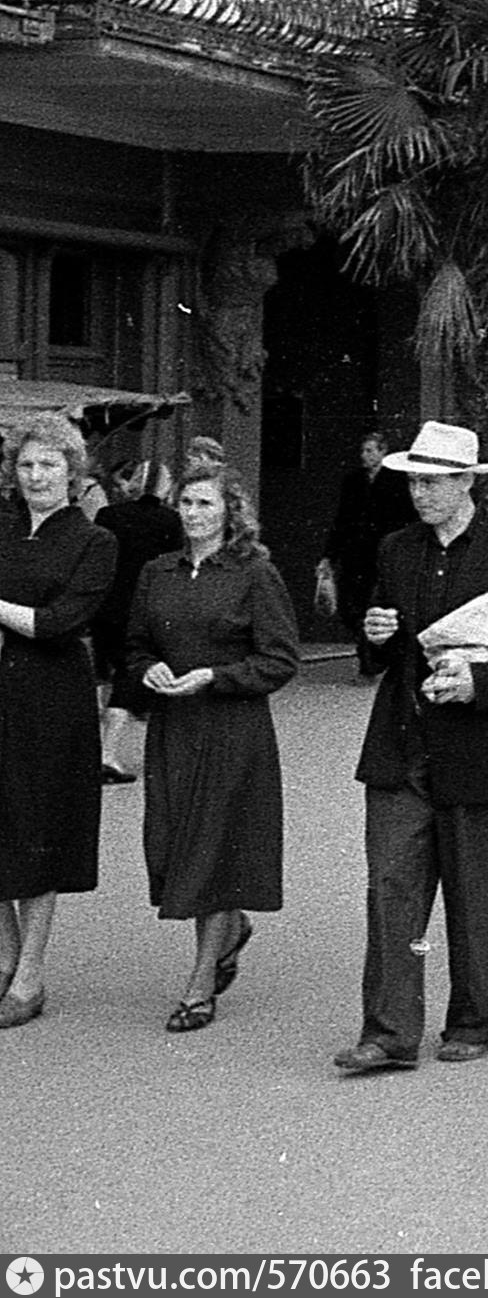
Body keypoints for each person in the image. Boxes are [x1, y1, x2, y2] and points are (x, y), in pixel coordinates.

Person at [334, 421, 488, 1075]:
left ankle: (477, 1021)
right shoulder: (396, 549)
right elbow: (380, 649)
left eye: (433, 481)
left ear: (469, 482)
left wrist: (482, 680)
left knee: (478, 892)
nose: (420, 494)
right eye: (414, 481)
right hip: (402, 744)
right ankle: (388, 1032)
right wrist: (375, 631)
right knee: (391, 889)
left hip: (483, 745)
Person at [126, 463, 299, 1032]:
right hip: (175, 729)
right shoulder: (158, 572)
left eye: (204, 503)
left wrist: (215, 677)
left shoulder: (255, 573)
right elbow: (134, 646)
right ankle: (233, 927)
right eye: (186, 503)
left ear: (229, 511)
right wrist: (149, 668)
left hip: (231, 731)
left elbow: (279, 659)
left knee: (213, 848)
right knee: (175, 844)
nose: (193, 514)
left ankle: (201, 984)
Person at [0, 414, 118, 1030]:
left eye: (48, 465)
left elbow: (58, 625)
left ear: (73, 474)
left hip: (51, 699)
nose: (35, 475)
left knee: (38, 825)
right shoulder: (1, 527)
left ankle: (32, 973)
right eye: (26, 465)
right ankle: (5, 955)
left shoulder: (93, 542)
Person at [91, 458, 182, 782]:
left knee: (108, 677)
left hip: (105, 608)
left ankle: (98, 747)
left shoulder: (108, 515)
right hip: (143, 609)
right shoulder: (171, 521)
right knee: (129, 681)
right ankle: (107, 755)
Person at [315, 430, 415, 638]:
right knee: (352, 600)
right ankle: (361, 637)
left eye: (370, 451)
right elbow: (342, 519)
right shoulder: (353, 481)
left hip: (382, 550)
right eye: (363, 450)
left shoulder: (396, 481)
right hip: (355, 551)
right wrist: (329, 555)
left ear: (382, 452)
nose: (364, 455)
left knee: (379, 597)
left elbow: (405, 516)